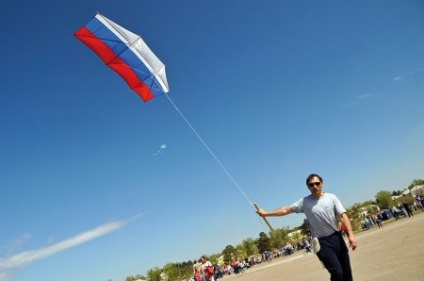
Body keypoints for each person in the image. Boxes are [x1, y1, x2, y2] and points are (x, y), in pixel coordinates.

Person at [257, 173, 357, 281]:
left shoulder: (331, 198)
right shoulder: (305, 202)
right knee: (337, 272)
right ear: (308, 187)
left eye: (317, 183)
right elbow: (286, 210)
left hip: (337, 238)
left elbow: (343, 215)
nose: (314, 186)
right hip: (321, 243)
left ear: (322, 184)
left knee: (347, 273)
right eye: (311, 185)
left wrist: (351, 235)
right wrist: (266, 213)